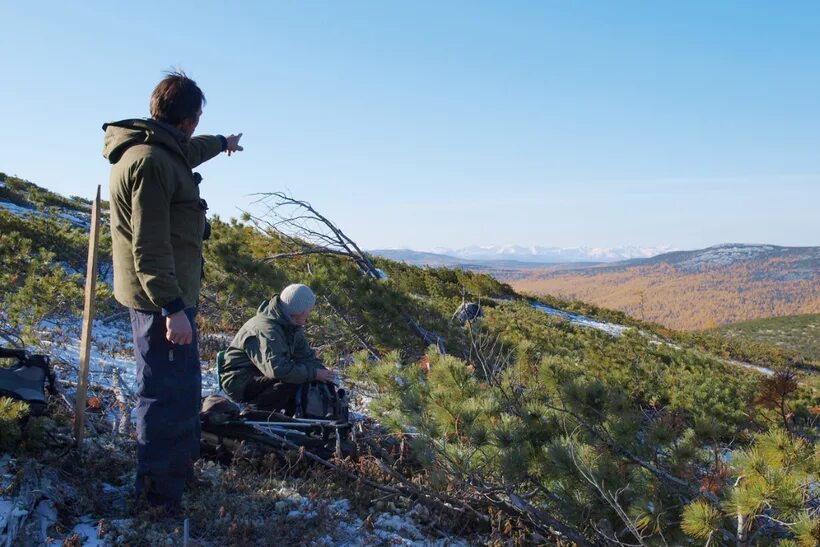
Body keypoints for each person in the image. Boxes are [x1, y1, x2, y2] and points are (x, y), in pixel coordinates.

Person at [102, 70, 243, 511]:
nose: (197, 129)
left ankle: (173, 477)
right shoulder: (150, 162)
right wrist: (172, 308)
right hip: (160, 303)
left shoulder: (161, 148)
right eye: (198, 120)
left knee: (179, 392)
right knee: (165, 397)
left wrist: (223, 144)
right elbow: (149, 246)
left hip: (166, 300)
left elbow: (189, 152)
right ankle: (157, 499)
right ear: (188, 120)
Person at [220, 284, 336, 414]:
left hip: (260, 373)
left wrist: (324, 374)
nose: (309, 314)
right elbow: (277, 370)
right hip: (239, 381)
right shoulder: (267, 330)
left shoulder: (290, 324)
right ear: (300, 311)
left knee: (301, 377)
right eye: (308, 310)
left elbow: (305, 356)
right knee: (291, 380)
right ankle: (253, 415)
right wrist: (313, 374)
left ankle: (294, 418)